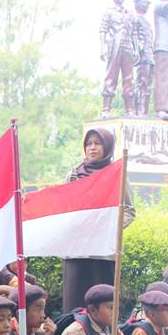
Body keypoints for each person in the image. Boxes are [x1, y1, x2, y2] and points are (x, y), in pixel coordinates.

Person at [61, 128, 135, 311]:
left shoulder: (117, 175)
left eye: (97, 143)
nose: (92, 147)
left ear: (107, 146)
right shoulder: (73, 175)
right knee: (74, 306)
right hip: (76, 252)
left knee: (102, 306)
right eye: (88, 144)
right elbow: (64, 208)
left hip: (102, 253)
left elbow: (129, 211)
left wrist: (105, 227)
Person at [98, 0, 135, 117]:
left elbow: (133, 33)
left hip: (128, 47)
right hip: (114, 47)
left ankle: (129, 110)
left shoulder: (129, 13)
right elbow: (103, 29)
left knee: (129, 79)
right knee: (111, 77)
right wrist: (102, 48)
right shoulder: (109, 12)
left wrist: (136, 49)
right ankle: (106, 109)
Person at [132, 0, 154, 116]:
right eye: (145, 3)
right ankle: (138, 111)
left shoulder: (147, 22)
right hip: (141, 56)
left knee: (148, 86)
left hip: (150, 56)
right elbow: (134, 35)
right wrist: (138, 49)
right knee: (141, 83)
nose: (147, 6)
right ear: (139, 4)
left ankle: (144, 111)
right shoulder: (135, 19)